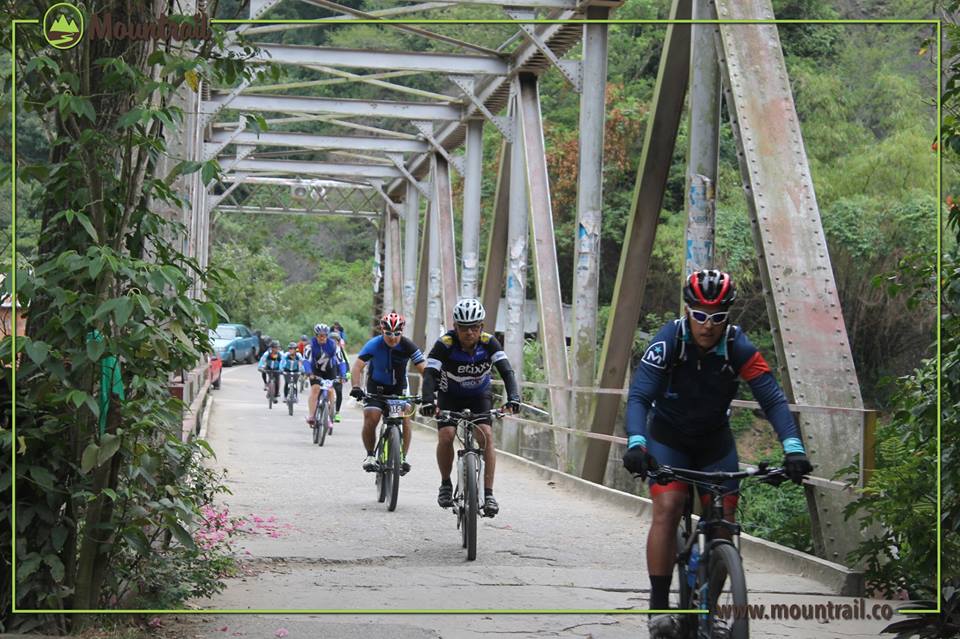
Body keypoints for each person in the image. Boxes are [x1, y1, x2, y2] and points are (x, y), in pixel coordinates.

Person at [621, 269, 813, 638]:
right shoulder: (667, 342)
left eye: (719, 317)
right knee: (668, 506)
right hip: (668, 439)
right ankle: (659, 608)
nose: (708, 325)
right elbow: (640, 397)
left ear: (729, 316)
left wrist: (793, 447)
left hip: (714, 442)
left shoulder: (739, 347)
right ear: (688, 311)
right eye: (700, 315)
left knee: (723, 523)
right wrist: (636, 444)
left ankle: (709, 605)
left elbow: (771, 397)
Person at [419, 298, 521, 517]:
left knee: (486, 436)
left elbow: (507, 372)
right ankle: (445, 484)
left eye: (474, 327)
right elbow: (429, 374)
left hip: (478, 396)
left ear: (481, 327)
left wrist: (513, 397)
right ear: (455, 327)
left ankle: (489, 493)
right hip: (450, 396)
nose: (469, 332)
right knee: (446, 435)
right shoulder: (444, 344)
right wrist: (428, 400)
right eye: (464, 328)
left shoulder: (489, 343)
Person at [350, 312, 426, 474]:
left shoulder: (407, 346)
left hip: (398, 389)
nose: (393, 338)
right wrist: (356, 387)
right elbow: (357, 366)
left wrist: (430, 392)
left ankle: (402, 457)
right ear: (382, 331)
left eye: (397, 334)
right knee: (372, 417)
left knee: (404, 418)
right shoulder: (374, 345)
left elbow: (424, 370)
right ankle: (370, 455)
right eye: (389, 334)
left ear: (402, 332)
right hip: (376, 388)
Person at [306, 324, 341, 432]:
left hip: (330, 370)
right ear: (316, 336)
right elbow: (306, 361)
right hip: (315, 371)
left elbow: (341, 361)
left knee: (330, 390)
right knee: (315, 389)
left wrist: (343, 375)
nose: (322, 338)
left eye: (324, 336)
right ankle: (312, 416)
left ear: (327, 336)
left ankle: (329, 416)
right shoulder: (310, 346)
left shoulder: (334, 346)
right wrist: (309, 372)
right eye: (320, 336)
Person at [329, 330, 349, 422]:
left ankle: (337, 412)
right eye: (331, 340)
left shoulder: (339, 351)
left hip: (337, 374)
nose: (333, 342)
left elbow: (344, 363)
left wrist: (345, 375)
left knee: (339, 392)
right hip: (326, 373)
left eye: (335, 340)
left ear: (338, 342)